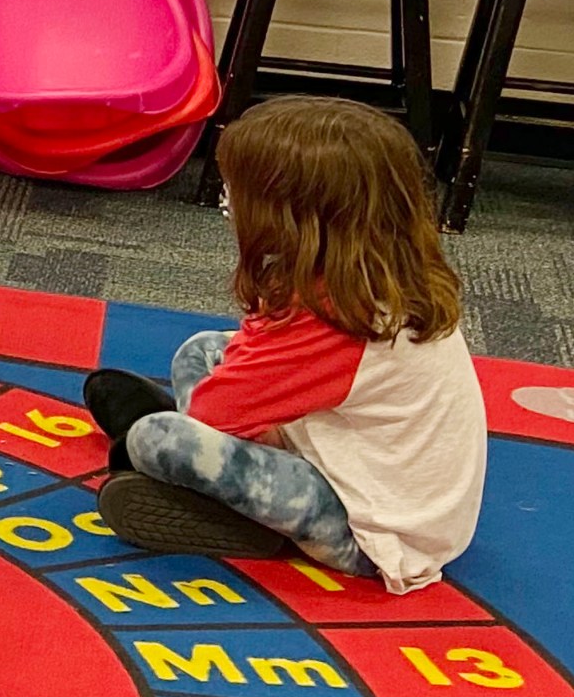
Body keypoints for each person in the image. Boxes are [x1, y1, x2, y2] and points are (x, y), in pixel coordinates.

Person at [84, 96, 485, 594]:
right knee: (202, 350)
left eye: (237, 194)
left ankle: (233, 513)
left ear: (290, 218)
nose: (230, 205)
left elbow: (213, 413)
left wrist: (208, 426)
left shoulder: (337, 319)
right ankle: (208, 472)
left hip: (371, 532)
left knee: (157, 439)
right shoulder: (370, 273)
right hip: (362, 467)